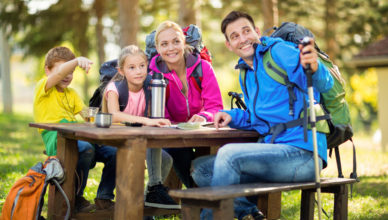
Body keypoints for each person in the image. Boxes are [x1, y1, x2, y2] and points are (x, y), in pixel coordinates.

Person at [191, 11, 334, 220]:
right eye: (235, 36)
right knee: (201, 169)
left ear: (256, 32)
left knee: (229, 156)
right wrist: (231, 116)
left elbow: (323, 83)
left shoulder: (279, 52)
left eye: (246, 31)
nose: (243, 39)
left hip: (303, 155)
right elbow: (258, 119)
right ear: (229, 45)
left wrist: (315, 66)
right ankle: (249, 214)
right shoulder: (246, 73)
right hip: (274, 152)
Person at [33, 46, 117, 212]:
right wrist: (76, 61)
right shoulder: (44, 87)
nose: (67, 76)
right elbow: (58, 75)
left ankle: (104, 197)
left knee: (116, 152)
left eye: (71, 72)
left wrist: (108, 97)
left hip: (78, 136)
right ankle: (76, 197)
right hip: (56, 138)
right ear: (47, 70)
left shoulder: (72, 94)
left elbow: (88, 116)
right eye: (64, 70)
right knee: (85, 148)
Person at [102, 45, 180, 209]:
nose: (138, 71)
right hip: (114, 140)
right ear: (121, 71)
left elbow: (153, 115)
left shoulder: (150, 86)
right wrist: (146, 120)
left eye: (142, 66)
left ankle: (149, 195)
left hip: (137, 138)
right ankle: (146, 196)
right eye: (131, 67)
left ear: (147, 66)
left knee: (166, 159)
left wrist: (156, 121)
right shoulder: (114, 89)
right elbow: (114, 115)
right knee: (135, 161)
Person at [149, 21, 224, 188]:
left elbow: (216, 106)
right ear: (158, 48)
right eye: (164, 44)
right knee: (177, 150)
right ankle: (201, 198)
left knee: (213, 153)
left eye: (176, 41)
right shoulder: (154, 74)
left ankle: (205, 198)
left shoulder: (203, 68)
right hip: (172, 135)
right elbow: (159, 115)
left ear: (184, 42)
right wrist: (175, 127)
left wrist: (204, 117)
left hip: (203, 132)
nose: (171, 48)